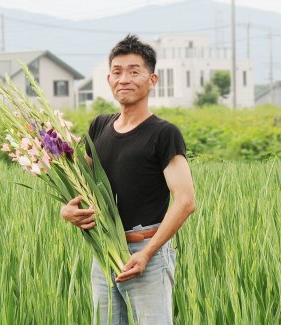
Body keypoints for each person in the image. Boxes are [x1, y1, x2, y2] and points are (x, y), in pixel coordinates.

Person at [60, 34, 196, 324]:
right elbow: (79, 185)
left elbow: (185, 201)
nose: (124, 79)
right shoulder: (99, 126)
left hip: (146, 252)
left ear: (153, 80)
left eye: (135, 71)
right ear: (109, 79)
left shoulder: (163, 133)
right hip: (103, 249)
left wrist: (146, 254)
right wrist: (67, 210)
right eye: (117, 72)